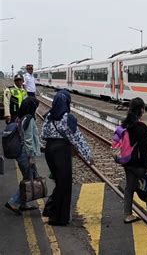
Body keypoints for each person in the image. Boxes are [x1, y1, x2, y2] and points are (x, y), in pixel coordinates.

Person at [41, 90, 93, 226]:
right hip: (61, 152)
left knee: (59, 183)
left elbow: (43, 135)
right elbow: (77, 139)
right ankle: (60, 218)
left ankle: (51, 211)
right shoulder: (68, 118)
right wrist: (88, 156)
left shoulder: (48, 116)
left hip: (49, 151)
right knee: (65, 186)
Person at [4, 97, 41, 215]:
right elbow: (29, 140)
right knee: (29, 178)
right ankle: (13, 202)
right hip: (25, 153)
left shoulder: (20, 117)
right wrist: (31, 157)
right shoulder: (29, 119)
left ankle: (24, 203)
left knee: (27, 177)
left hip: (20, 152)